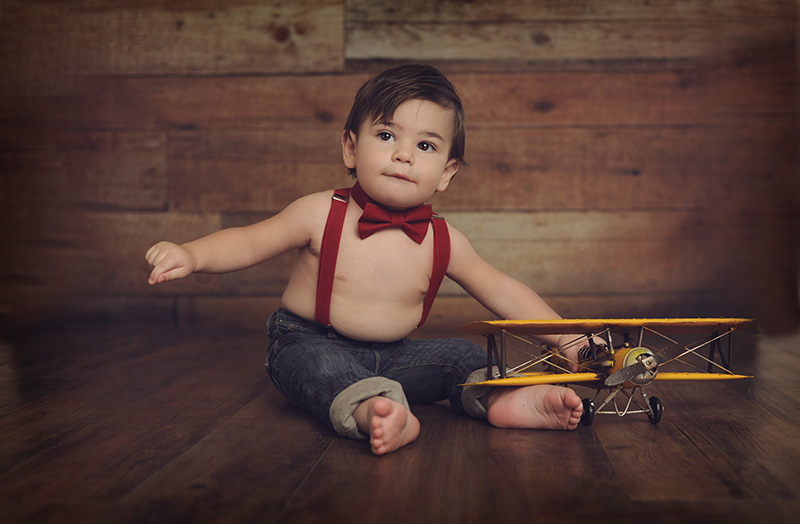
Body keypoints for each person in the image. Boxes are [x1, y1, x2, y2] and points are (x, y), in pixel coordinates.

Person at [146, 64, 586, 456]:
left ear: (447, 173)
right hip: (310, 341)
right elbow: (246, 242)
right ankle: (377, 412)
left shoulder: (444, 239)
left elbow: (504, 291)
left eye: (426, 146)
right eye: (387, 135)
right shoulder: (320, 212)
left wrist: (567, 339)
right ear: (351, 149)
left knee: (459, 355)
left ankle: (504, 398)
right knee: (319, 369)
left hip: (397, 357)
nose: (404, 155)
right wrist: (192, 253)